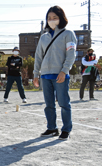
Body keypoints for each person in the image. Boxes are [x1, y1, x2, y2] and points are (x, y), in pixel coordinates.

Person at [33, 6, 77, 140]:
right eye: (49, 18)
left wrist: (64, 71)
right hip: (45, 75)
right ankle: (52, 128)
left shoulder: (68, 34)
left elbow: (71, 54)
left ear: (61, 18)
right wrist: (36, 74)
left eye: (55, 18)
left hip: (60, 75)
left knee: (64, 103)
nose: (51, 20)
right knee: (49, 105)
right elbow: (38, 56)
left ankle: (66, 129)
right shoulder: (44, 37)